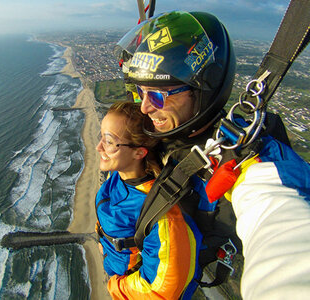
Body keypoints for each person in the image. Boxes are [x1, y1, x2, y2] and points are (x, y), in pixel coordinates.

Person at [114, 10, 310, 299]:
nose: (144, 108)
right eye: (138, 91)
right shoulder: (164, 132)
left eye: (157, 95)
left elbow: (283, 229)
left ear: (202, 89)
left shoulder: (252, 161)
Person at [95, 101, 203, 299]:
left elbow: (160, 289)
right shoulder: (119, 176)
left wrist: (114, 286)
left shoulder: (161, 212)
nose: (98, 146)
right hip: (117, 268)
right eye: (101, 137)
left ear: (139, 152)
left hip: (128, 287)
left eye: (109, 141)